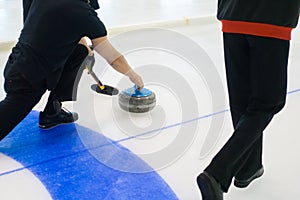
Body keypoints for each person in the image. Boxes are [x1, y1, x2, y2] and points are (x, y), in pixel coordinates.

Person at [196, 1, 300, 200]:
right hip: (271, 17)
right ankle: (217, 173)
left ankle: (247, 169)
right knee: (268, 102)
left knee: (241, 102)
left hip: (233, 16)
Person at [0, 0, 144, 140]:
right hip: (28, 80)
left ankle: (52, 111)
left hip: (18, 62)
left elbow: (61, 21)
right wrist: (133, 75)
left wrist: (84, 46)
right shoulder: (85, 15)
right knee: (13, 109)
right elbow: (113, 58)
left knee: (80, 52)